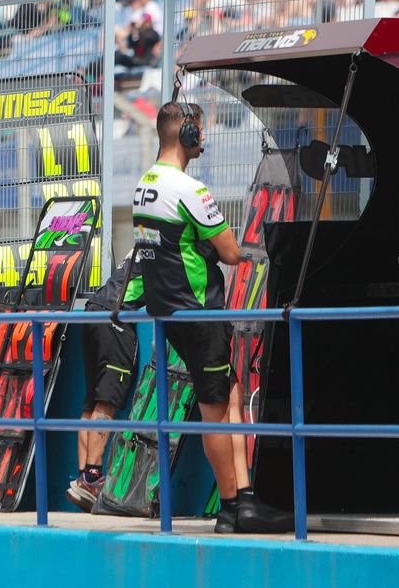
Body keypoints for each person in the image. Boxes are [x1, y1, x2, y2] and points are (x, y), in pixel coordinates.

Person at [131, 102, 290, 533]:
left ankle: (246, 501)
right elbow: (233, 252)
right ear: (184, 134)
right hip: (199, 311)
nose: (204, 138)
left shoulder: (144, 184)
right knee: (216, 410)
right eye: (199, 131)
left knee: (231, 395)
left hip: (173, 312)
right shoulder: (189, 189)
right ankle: (230, 506)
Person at [67, 254, 141, 511]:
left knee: (92, 401)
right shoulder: (168, 245)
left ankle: (83, 477)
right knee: (107, 400)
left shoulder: (144, 242)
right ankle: (92, 476)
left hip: (94, 311)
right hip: (114, 316)